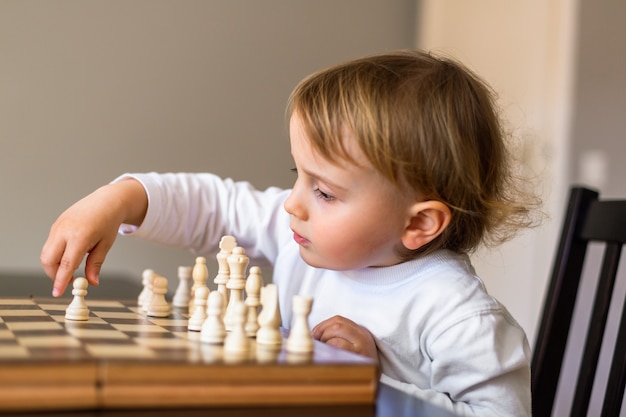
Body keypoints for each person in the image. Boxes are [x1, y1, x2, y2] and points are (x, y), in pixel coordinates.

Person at [41, 50, 540, 416]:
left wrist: (369, 384)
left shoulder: (456, 315)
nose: (292, 203)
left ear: (418, 223)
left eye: (324, 192)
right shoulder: (303, 234)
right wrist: (123, 198)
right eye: (297, 175)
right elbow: (218, 205)